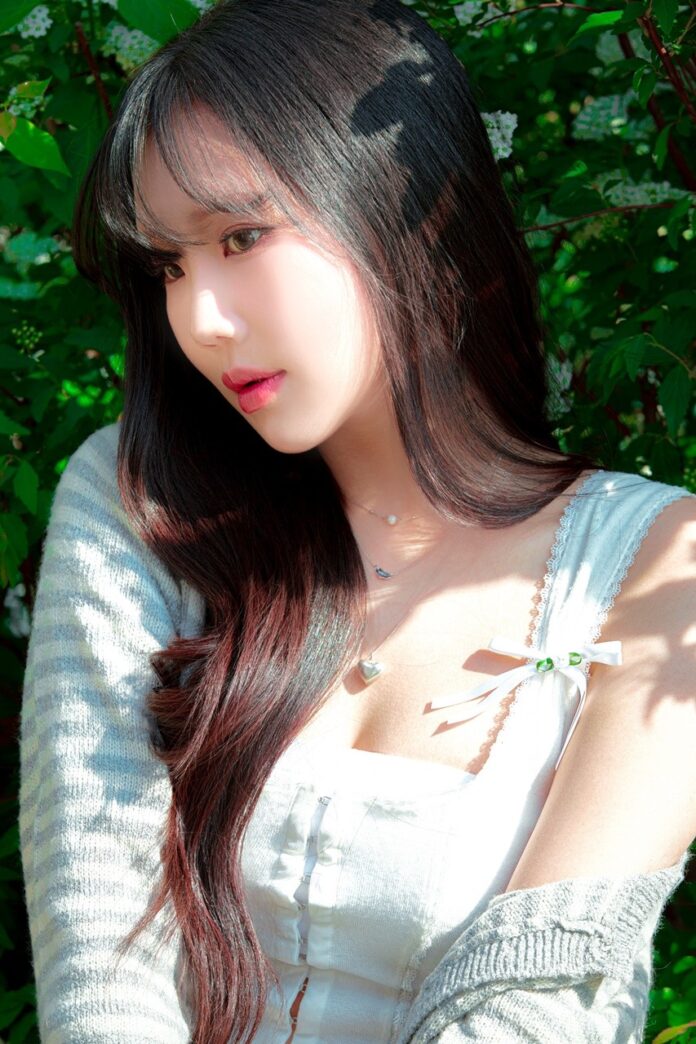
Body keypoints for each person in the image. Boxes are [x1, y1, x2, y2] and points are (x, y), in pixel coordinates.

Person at [18, 1, 695, 1041]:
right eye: (168, 267)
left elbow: (533, 1011)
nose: (200, 319)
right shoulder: (138, 503)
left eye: (241, 236)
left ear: (406, 205)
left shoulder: (659, 571)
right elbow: (99, 963)